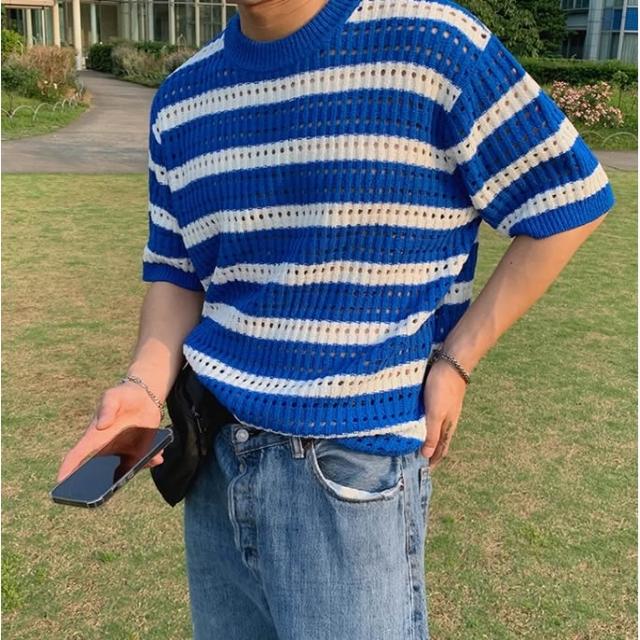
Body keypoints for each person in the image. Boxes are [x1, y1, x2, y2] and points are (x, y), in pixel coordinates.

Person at [57, 0, 616, 636]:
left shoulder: (434, 46)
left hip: (350, 471)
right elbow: (176, 271)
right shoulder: (182, 98)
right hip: (214, 465)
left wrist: (458, 360)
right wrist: (140, 385)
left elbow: (569, 198)